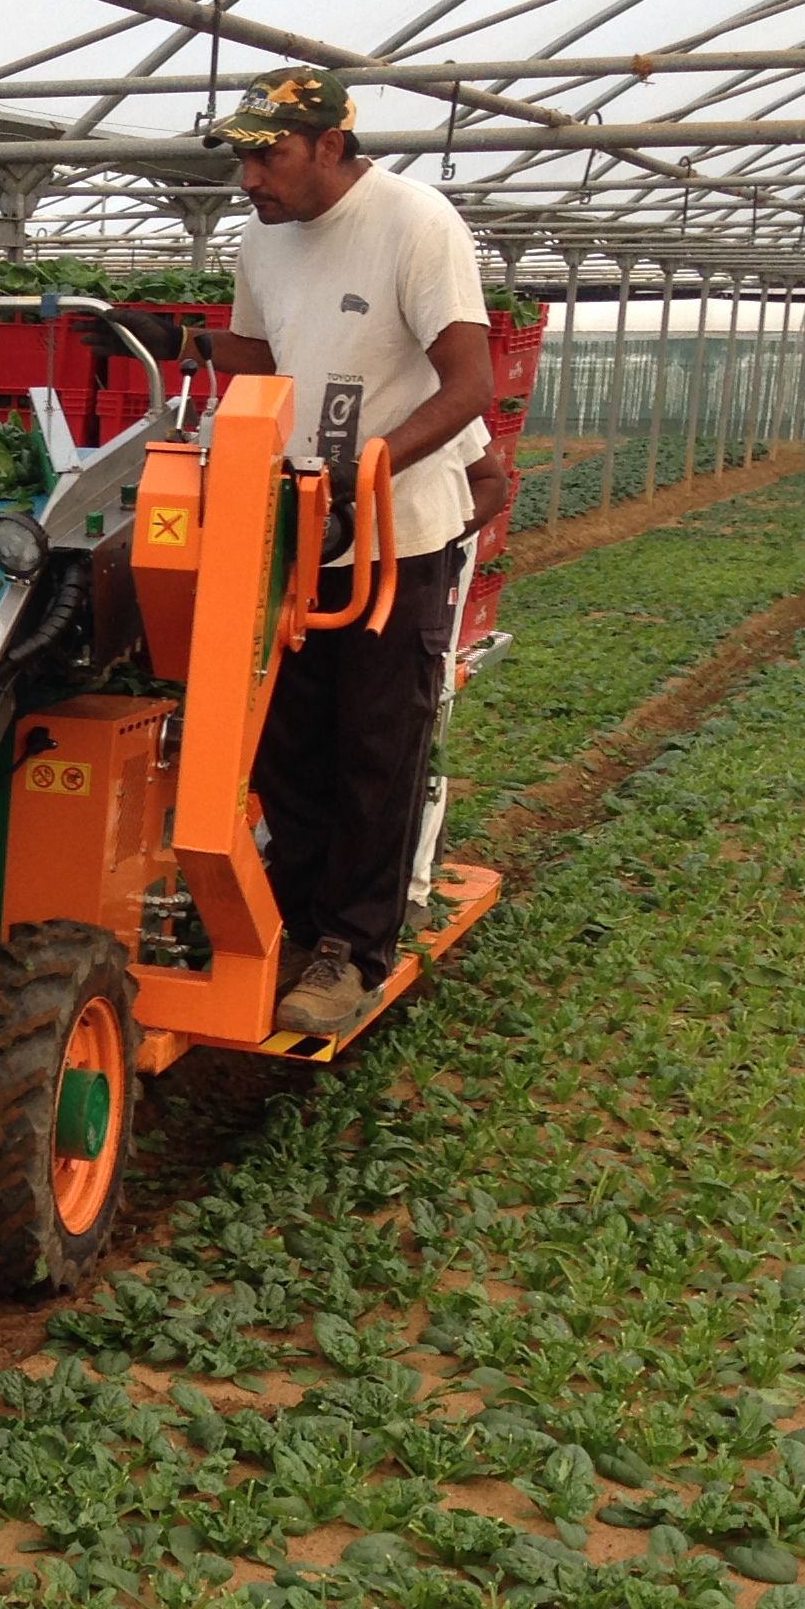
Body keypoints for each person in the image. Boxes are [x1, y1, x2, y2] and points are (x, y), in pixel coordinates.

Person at [194, 64, 496, 1035]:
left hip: (397, 534)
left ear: (331, 144)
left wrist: (363, 483)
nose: (248, 177)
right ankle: (291, 918)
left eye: (267, 154)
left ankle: (352, 948)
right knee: (286, 740)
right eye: (241, 156)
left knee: (376, 740)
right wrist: (173, 344)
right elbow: (253, 360)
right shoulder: (261, 241)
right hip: (292, 525)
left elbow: (469, 383)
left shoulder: (414, 222)